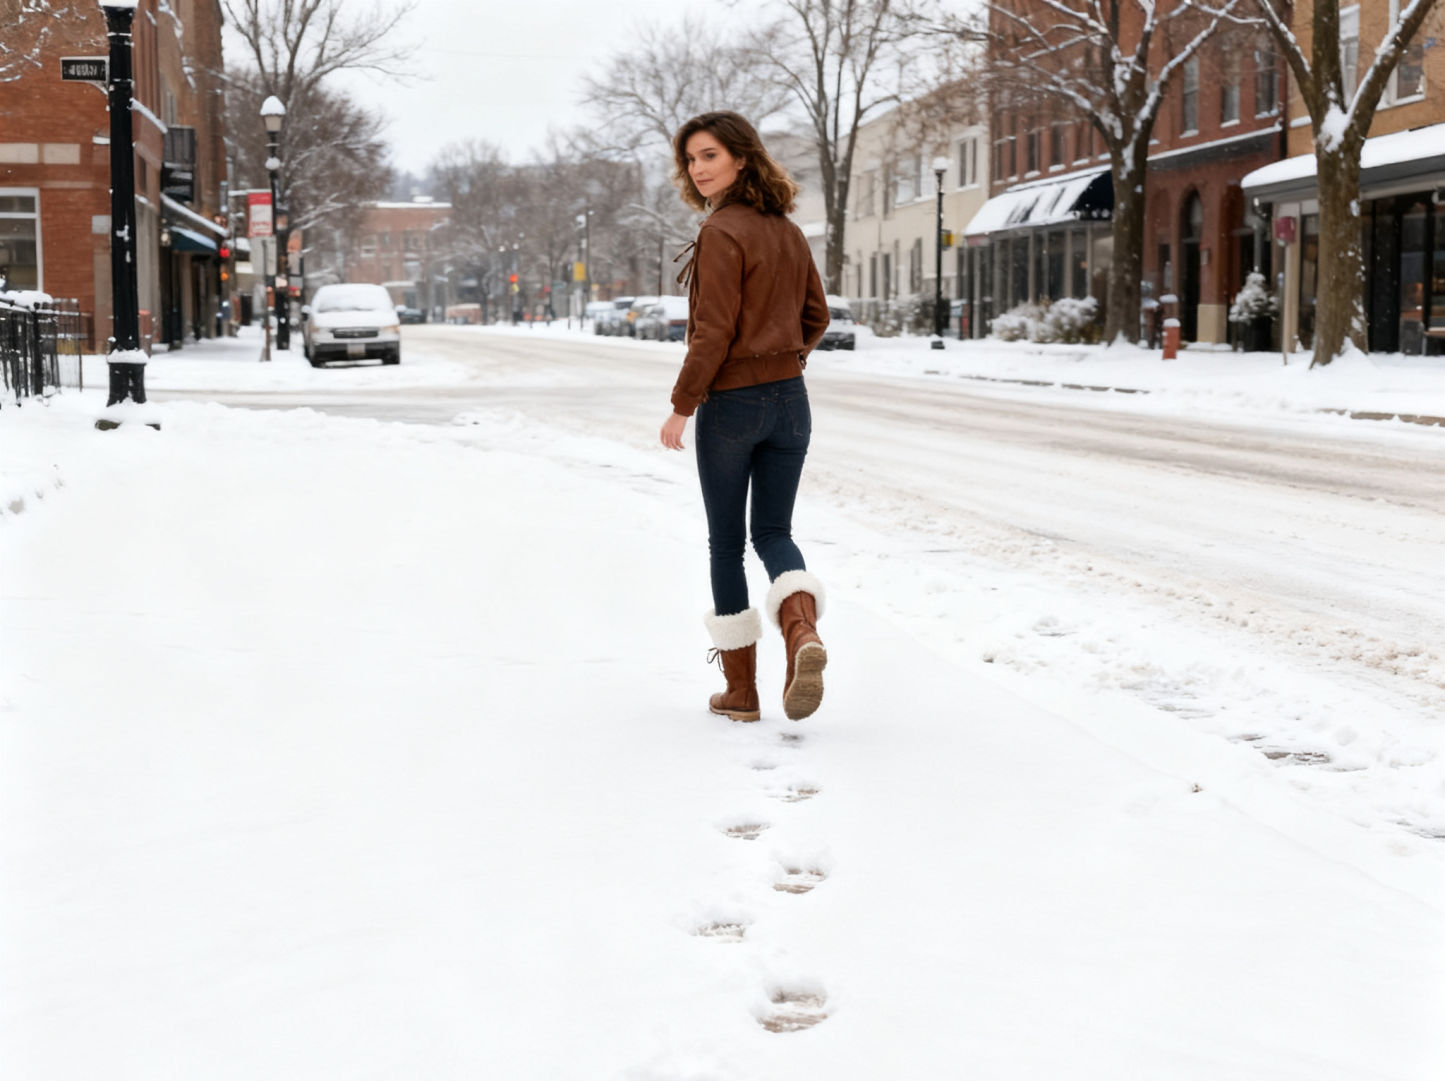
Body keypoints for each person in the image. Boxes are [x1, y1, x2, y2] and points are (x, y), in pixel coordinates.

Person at [659, 111, 832, 722]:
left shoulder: (721, 233)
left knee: (728, 544)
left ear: (739, 157)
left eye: (708, 156)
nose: (698, 169)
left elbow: (712, 334)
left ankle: (742, 693)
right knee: (776, 534)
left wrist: (682, 407)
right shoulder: (786, 230)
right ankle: (801, 635)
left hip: (732, 404)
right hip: (792, 400)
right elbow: (818, 316)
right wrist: (786, 360)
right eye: (690, 160)